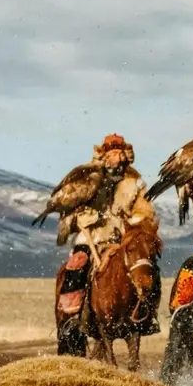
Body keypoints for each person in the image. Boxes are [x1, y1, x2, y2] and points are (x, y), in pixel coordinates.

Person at [53, 134, 158, 334]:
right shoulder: (86, 177)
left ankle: (148, 314)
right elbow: (69, 208)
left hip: (120, 239)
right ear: (104, 155)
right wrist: (79, 218)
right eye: (112, 153)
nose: (116, 158)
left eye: (119, 153)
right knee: (78, 265)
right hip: (91, 237)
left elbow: (144, 211)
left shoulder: (134, 183)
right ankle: (72, 316)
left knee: (147, 264)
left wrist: (133, 222)